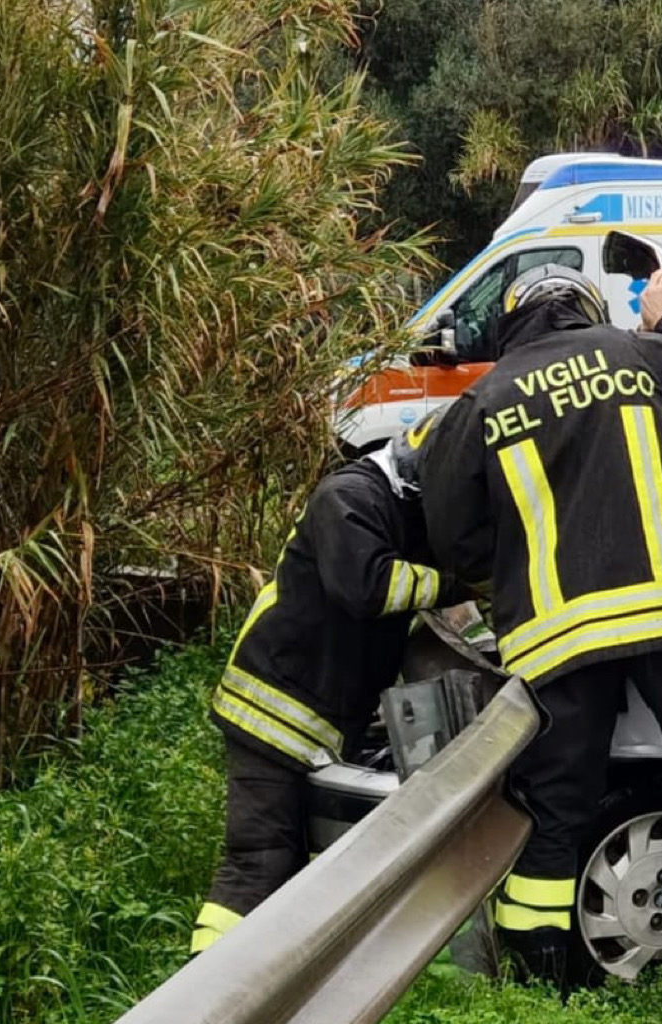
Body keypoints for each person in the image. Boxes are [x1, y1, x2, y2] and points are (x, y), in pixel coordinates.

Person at [419, 262, 662, 990]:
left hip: (557, 640)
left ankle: (538, 975)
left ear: (512, 322)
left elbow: (453, 539)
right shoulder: (635, 356)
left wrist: (512, 588)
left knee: (554, 802)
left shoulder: (479, 402)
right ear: (586, 308)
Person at [192, 409, 462, 955]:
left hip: (309, 711)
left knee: (288, 863)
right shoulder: (350, 496)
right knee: (258, 859)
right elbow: (365, 586)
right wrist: (457, 585)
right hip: (271, 707)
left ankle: (263, 984)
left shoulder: (404, 508)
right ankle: (205, 989)